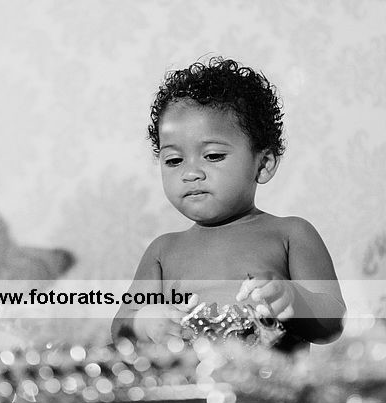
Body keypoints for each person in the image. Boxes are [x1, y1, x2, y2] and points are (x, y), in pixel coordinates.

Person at [111, 57, 346, 352]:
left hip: (269, 381)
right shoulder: (162, 251)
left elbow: (332, 321)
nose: (190, 173)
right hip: (187, 381)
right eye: (174, 160)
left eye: (213, 156)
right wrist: (143, 322)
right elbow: (120, 326)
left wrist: (293, 299)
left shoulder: (291, 234)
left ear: (263, 164)